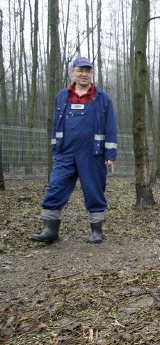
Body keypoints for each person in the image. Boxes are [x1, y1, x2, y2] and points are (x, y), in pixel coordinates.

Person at [31, 56, 118, 244]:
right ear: (73, 72)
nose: (84, 74)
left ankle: (97, 231)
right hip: (65, 153)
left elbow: (110, 126)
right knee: (56, 186)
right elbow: (56, 125)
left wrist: (110, 153)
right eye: (80, 70)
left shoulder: (102, 98)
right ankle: (50, 230)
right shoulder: (63, 96)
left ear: (92, 73)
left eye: (88, 71)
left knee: (94, 190)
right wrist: (55, 149)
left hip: (93, 154)